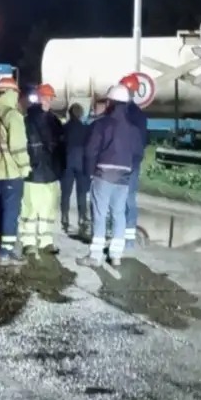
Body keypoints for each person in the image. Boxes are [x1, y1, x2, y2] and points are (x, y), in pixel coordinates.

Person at [77, 85, 141, 268]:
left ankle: (95, 256)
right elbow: (137, 155)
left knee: (99, 213)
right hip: (123, 176)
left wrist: (89, 173)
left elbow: (90, 151)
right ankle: (116, 255)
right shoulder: (133, 129)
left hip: (103, 174)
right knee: (118, 213)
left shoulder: (100, 125)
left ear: (110, 103)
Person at [0, 76, 30, 266]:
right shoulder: (13, 116)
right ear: (11, 93)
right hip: (11, 172)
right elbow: (17, 147)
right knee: (11, 212)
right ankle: (6, 252)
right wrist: (25, 167)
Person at [21, 83, 64, 258]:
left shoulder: (28, 119)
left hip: (41, 173)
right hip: (41, 173)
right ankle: (32, 242)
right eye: (47, 97)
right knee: (33, 210)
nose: (48, 100)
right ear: (40, 98)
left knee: (43, 211)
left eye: (50, 97)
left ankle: (40, 242)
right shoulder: (51, 121)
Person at [118, 74, 150, 249]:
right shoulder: (139, 115)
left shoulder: (124, 113)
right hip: (132, 162)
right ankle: (127, 239)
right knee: (127, 199)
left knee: (121, 199)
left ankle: (123, 237)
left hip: (123, 162)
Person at [60, 102, 91, 237]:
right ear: (81, 115)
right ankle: (82, 217)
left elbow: (59, 146)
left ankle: (65, 217)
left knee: (66, 193)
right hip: (82, 164)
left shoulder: (64, 128)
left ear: (70, 113)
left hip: (66, 163)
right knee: (81, 193)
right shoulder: (86, 129)